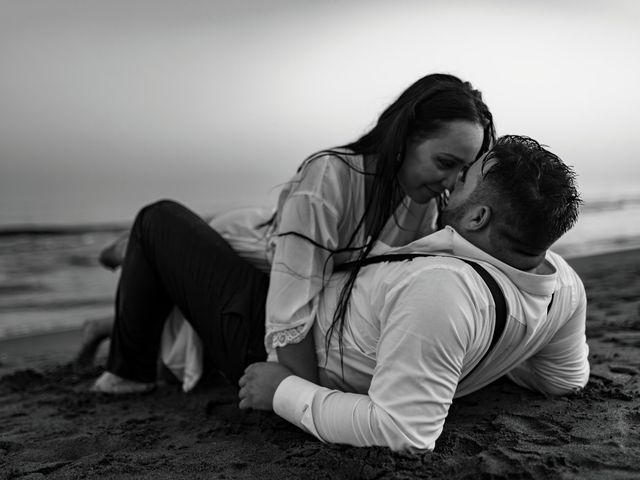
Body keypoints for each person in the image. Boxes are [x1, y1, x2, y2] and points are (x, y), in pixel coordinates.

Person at [92, 135, 588, 451]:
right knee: (239, 233)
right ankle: (130, 293)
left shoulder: (445, 292)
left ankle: (127, 366)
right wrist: (484, 351)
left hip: (277, 346)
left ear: (479, 218)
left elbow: (402, 432)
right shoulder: (561, 283)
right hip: (311, 303)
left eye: (468, 178)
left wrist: (282, 392)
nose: (455, 179)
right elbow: (564, 380)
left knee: (158, 220)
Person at [85, 73, 496, 391]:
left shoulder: (425, 204)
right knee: (158, 218)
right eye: (445, 162)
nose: (450, 182)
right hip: (256, 259)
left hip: (269, 262)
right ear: (404, 138)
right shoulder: (331, 179)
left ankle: (121, 298)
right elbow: (289, 314)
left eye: (463, 170)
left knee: (197, 233)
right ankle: (128, 368)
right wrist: (305, 398)